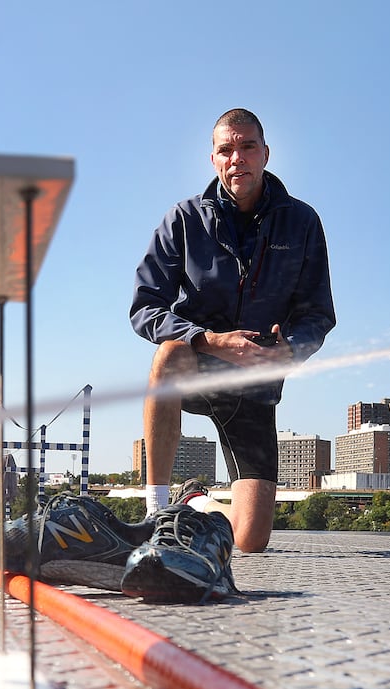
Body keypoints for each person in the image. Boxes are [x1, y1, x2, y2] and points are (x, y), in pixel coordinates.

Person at [129, 108, 335, 553]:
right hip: (197, 366)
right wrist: (209, 340)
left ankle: (196, 502)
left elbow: (318, 314)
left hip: (254, 387)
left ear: (265, 154)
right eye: (226, 149)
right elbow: (146, 307)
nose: (236, 158)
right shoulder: (183, 220)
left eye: (246, 148)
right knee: (168, 354)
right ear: (214, 159)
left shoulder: (302, 223)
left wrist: (292, 350)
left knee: (251, 541)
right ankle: (157, 510)